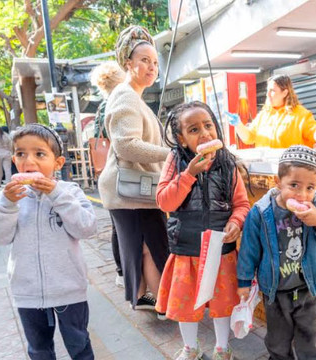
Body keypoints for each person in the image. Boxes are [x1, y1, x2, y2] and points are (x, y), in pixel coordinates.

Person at [0, 124, 97, 360]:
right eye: (21, 154)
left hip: (69, 289)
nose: (29, 161)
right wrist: (7, 204)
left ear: (58, 163)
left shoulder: (70, 192)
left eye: (40, 154)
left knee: (79, 344)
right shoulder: (7, 197)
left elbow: (87, 228)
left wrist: (57, 195)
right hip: (28, 291)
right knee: (39, 349)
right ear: (14, 159)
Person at [155, 102, 250, 360]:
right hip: (186, 250)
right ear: (181, 139)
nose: (205, 133)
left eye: (208, 125)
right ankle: (190, 348)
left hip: (221, 250)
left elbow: (241, 203)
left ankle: (222, 348)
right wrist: (188, 174)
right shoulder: (175, 160)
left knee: (222, 304)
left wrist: (236, 222)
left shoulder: (228, 163)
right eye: (194, 129)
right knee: (186, 305)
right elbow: (164, 201)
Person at [237, 146, 316, 360]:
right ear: (278, 182)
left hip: (308, 289)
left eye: (310, 187)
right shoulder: (261, 211)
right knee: (277, 340)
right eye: (294, 185)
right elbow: (249, 249)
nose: (302, 195)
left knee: (311, 339)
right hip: (276, 291)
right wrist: (244, 282)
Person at [97, 25, 170, 315]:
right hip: (133, 189)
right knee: (150, 246)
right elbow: (127, 145)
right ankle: (161, 303)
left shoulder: (130, 94)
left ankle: (145, 297)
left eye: (154, 62)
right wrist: (173, 153)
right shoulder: (126, 95)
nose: (151, 67)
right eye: (144, 60)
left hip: (134, 188)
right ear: (128, 63)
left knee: (141, 246)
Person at [229, 74, 316, 148]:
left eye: (272, 91)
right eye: (268, 90)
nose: (267, 94)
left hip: (290, 173)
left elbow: (313, 130)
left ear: (285, 93)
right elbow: (249, 138)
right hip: (265, 172)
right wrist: (238, 125)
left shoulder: (300, 114)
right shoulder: (264, 114)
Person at [91, 60, 126, 288]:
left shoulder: (101, 108)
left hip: (107, 175)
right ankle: (128, 273)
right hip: (124, 172)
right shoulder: (120, 101)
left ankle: (121, 272)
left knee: (117, 226)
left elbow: (97, 141)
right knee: (127, 227)